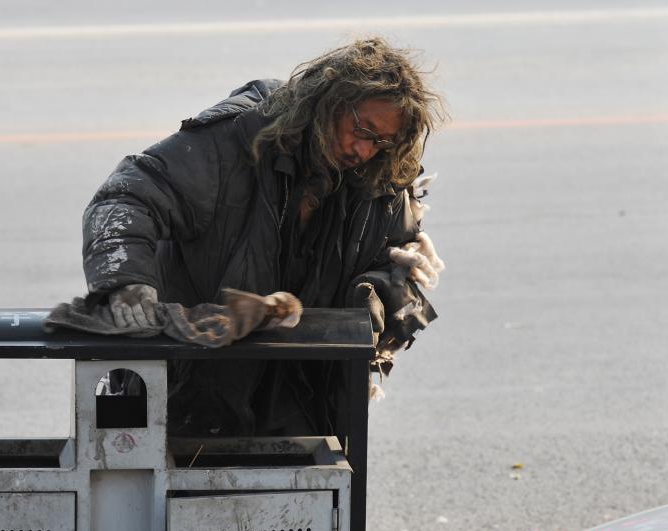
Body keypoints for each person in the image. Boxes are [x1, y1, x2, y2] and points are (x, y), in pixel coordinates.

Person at [81, 38, 446, 436]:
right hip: (188, 389)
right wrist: (126, 284)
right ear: (328, 101)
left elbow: (398, 261)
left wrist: (376, 296)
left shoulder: (381, 180)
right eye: (361, 130)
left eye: (381, 141)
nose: (363, 149)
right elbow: (126, 199)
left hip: (300, 404)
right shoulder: (233, 141)